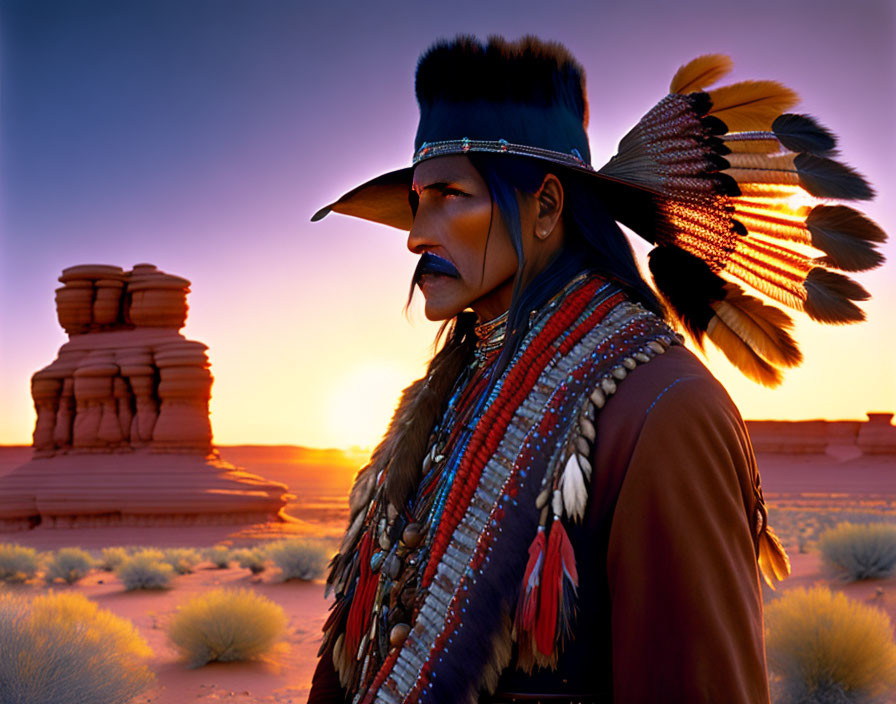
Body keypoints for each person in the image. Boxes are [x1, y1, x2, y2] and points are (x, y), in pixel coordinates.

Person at [308, 36, 885, 704]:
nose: (416, 235)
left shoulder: (665, 413)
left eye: (449, 195)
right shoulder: (439, 398)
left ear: (547, 208)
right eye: (417, 201)